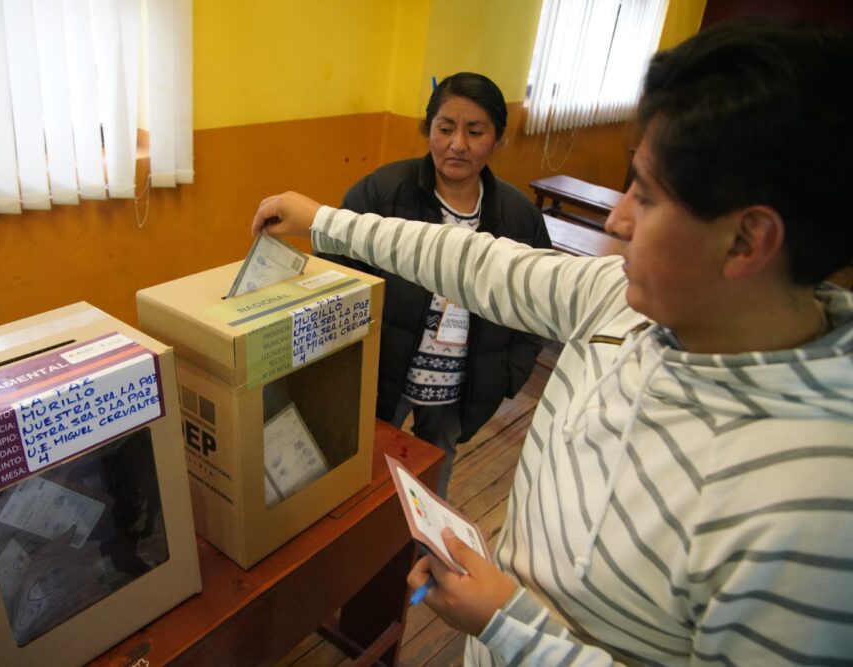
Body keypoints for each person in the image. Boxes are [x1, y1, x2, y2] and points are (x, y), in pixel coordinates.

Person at [251, 19, 853, 666]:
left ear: (745, 241)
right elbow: (473, 260)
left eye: (645, 197)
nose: (618, 219)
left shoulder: (812, 504)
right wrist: (325, 221)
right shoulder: (621, 302)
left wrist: (506, 622)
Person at [318, 72, 551, 499]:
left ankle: (427, 554)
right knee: (363, 478)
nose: (457, 144)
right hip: (383, 374)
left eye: (475, 131)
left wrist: (506, 376)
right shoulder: (382, 193)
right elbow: (330, 275)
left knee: (432, 480)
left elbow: (537, 309)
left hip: (459, 387)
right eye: (445, 129)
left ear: (498, 139)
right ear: (429, 129)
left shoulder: (519, 218)